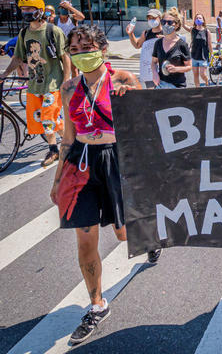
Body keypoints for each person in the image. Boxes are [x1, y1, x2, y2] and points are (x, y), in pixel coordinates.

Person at [49, 24, 160, 344]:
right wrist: (58, 181)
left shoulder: (124, 81)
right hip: (81, 163)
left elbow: (146, 126)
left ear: (102, 48)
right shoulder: (69, 88)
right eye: (75, 49)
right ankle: (97, 305)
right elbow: (67, 138)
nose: (82, 54)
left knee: (124, 232)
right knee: (85, 240)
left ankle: (148, 239)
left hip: (116, 159)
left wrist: (132, 101)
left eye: (87, 47)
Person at [0, 0, 70, 167]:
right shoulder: (24, 33)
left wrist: (66, 81)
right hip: (34, 85)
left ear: (39, 11)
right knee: (43, 120)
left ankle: (55, 149)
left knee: (48, 120)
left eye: (30, 9)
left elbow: (65, 57)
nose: (26, 13)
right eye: (23, 9)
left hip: (52, 83)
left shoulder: (52, 31)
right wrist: (5, 74)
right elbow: (17, 58)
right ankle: (70, 141)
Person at [151, 8, 192, 89]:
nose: (166, 25)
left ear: (176, 25)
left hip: (177, 86)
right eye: (163, 22)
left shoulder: (182, 45)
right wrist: (154, 74)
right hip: (161, 84)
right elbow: (153, 62)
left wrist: (176, 69)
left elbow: (189, 66)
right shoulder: (158, 43)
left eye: (169, 22)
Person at [127, 9, 163, 89]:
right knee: (152, 95)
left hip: (163, 70)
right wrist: (131, 34)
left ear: (160, 18)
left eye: (153, 18)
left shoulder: (166, 32)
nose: (151, 20)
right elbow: (137, 45)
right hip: (150, 72)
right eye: (149, 18)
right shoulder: (146, 33)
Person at [182, 12, 213, 87]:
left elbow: (209, 44)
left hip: (203, 56)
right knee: (195, 75)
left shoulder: (206, 31)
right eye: (197, 18)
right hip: (194, 55)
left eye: (200, 18)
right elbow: (183, 26)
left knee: (203, 74)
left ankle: (206, 82)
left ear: (203, 20)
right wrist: (183, 17)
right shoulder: (192, 30)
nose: (198, 19)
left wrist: (211, 55)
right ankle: (198, 89)